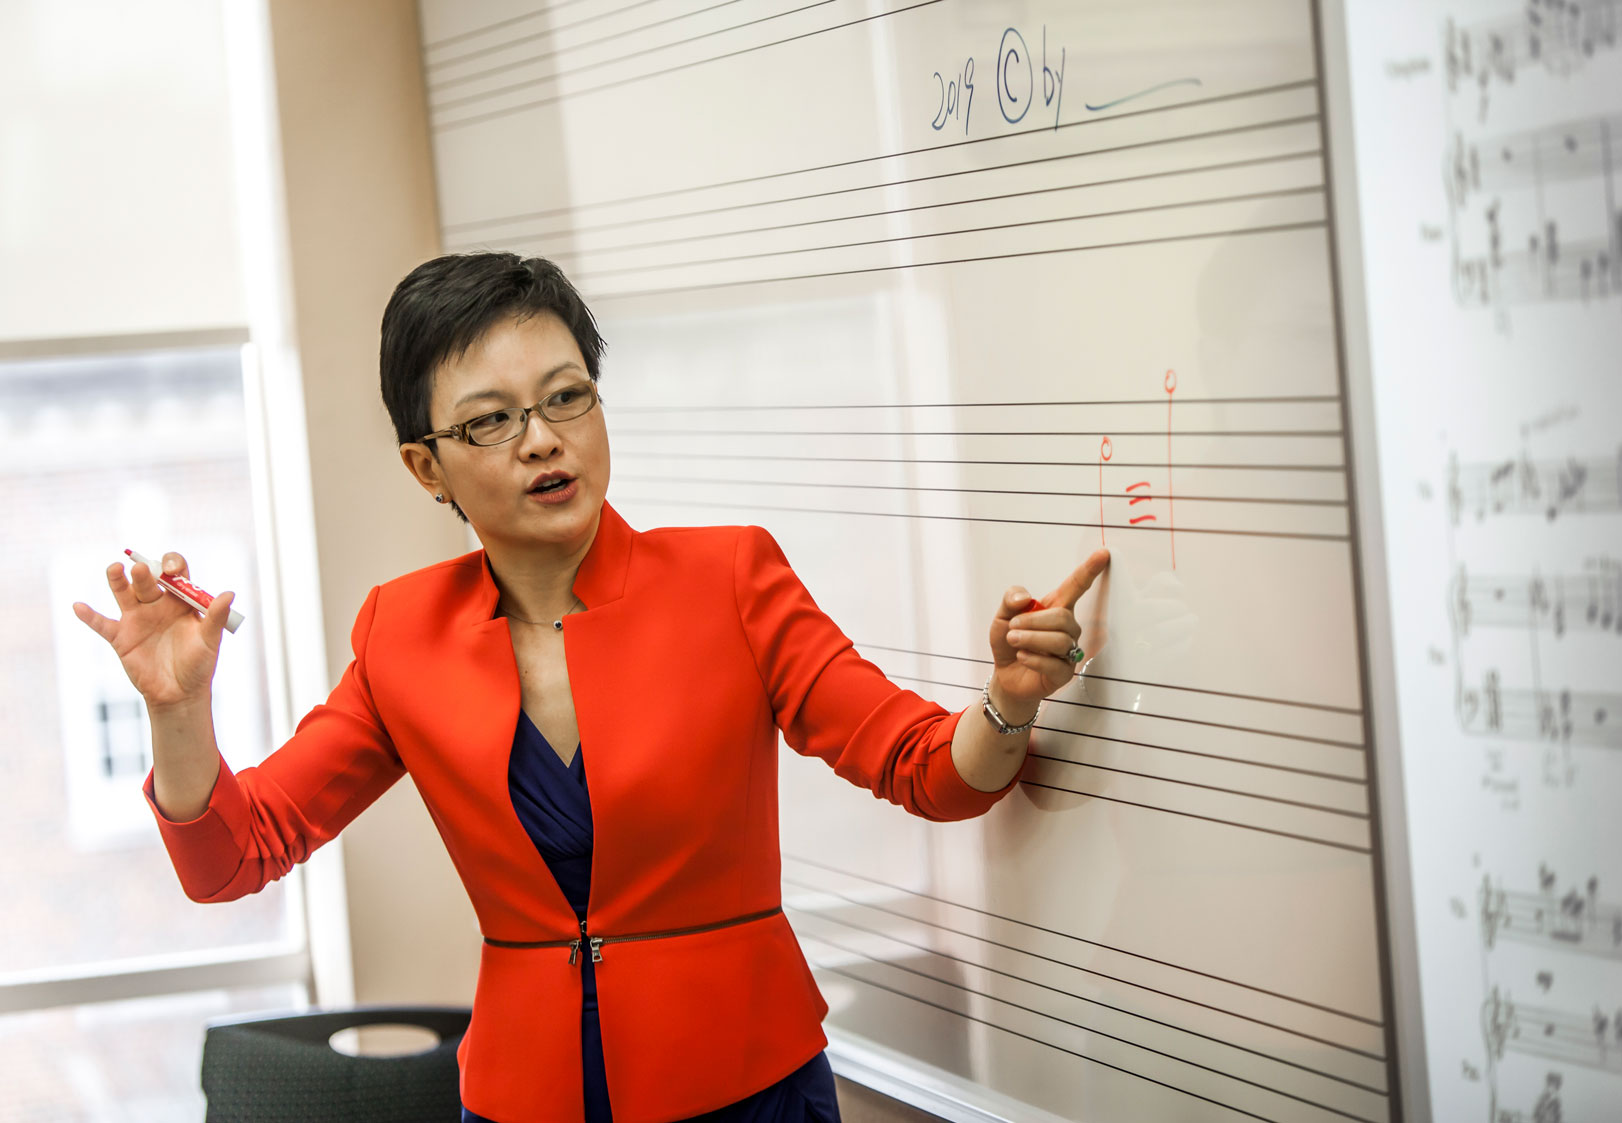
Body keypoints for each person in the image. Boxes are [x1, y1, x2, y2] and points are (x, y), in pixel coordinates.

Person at [70, 252, 1109, 1123]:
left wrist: (1008, 696)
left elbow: (930, 769)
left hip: (745, 1090)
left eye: (566, 396)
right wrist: (177, 711)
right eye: (489, 421)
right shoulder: (401, 632)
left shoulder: (731, 579)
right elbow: (234, 856)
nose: (541, 438)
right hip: (527, 1101)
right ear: (426, 468)